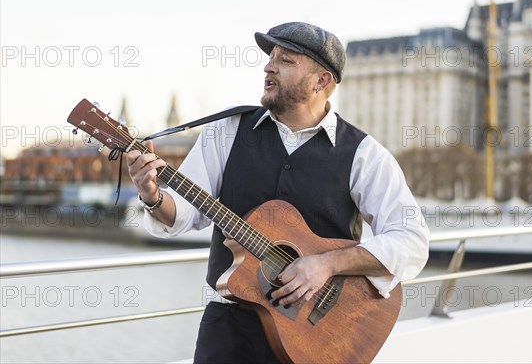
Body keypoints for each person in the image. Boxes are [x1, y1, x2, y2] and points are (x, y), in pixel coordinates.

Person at [126, 22, 429, 364]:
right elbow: (182, 213)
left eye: (285, 60)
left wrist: (326, 264)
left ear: (321, 81)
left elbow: (412, 241)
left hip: (317, 339)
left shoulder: (363, 154)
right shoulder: (226, 132)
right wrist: (152, 195)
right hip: (228, 332)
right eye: (271, 57)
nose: (269, 66)